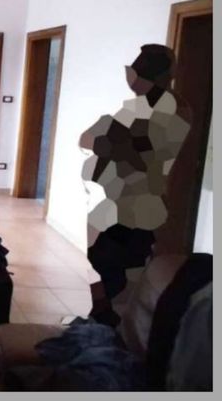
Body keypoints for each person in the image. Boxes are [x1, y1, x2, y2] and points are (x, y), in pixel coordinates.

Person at [79, 44, 191, 325]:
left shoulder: (174, 110)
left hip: (140, 204)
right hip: (117, 199)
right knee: (100, 256)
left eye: (139, 74)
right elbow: (95, 138)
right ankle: (101, 313)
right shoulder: (140, 105)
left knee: (120, 262)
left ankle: (111, 320)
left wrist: (112, 143)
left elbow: (144, 155)